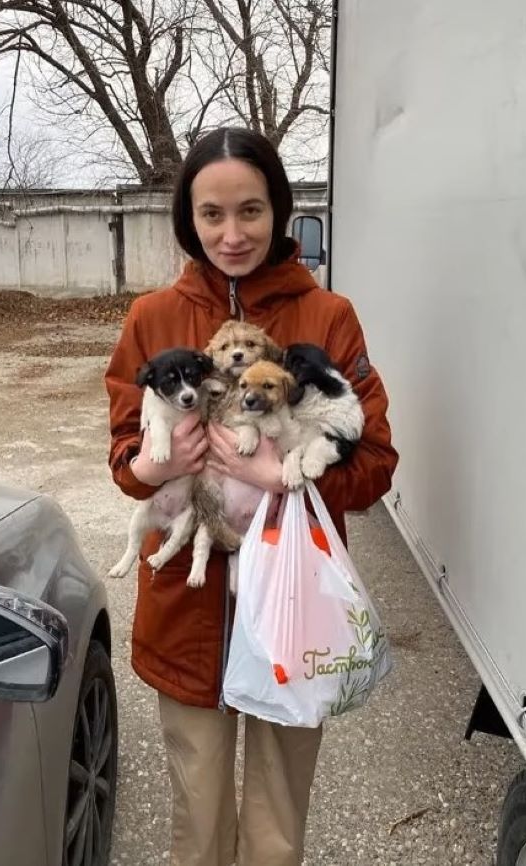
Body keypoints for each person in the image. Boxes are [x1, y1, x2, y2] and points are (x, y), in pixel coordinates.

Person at [105, 126, 399, 866]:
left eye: (251, 211)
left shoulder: (327, 317)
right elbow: (122, 461)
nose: (232, 234)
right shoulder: (152, 319)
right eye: (212, 215)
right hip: (186, 604)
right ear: (187, 219)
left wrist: (285, 475)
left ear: (279, 210)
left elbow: (376, 462)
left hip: (291, 607)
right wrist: (154, 465)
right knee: (197, 822)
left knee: (275, 826)